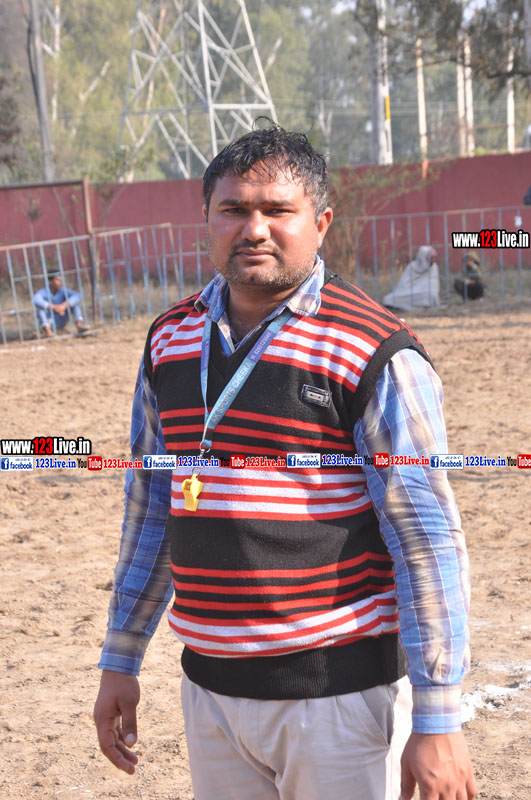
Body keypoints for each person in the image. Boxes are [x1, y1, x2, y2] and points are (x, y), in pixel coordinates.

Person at [94, 124, 476, 800]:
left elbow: (425, 538)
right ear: (206, 218)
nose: (254, 229)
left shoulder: (375, 349)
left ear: (320, 222)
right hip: (208, 692)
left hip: (336, 700)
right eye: (233, 209)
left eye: (277, 210)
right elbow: (150, 507)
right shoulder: (170, 339)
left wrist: (438, 717)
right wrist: (121, 656)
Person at [32, 270, 89, 336]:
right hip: (50, 320)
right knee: (40, 309)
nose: (60, 282)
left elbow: (77, 295)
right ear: (50, 282)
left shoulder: (63, 291)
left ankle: (79, 325)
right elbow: (36, 300)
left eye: (61, 280)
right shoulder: (43, 292)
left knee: (75, 304)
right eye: (57, 280)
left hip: (62, 317)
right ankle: (48, 332)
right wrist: (54, 307)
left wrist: (64, 305)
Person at [383, 245, 439, 311]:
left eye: (433, 258)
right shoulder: (412, 266)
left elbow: (433, 286)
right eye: (430, 258)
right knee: (388, 299)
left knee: (430, 295)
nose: (433, 261)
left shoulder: (434, 267)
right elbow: (403, 285)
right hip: (408, 293)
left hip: (424, 294)